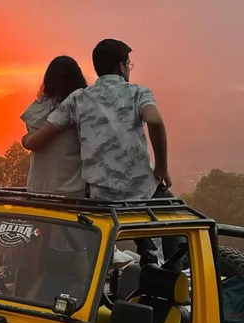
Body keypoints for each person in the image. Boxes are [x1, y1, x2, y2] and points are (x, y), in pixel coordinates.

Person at [22, 39, 170, 201]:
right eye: (129, 64)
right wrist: (161, 168)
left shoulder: (78, 99)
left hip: (102, 196)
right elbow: (154, 121)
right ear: (121, 67)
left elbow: (39, 138)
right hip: (142, 192)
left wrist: (27, 139)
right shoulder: (139, 93)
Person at [20, 56, 87, 197]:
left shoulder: (36, 110)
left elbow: (32, 141)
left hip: (37, 189)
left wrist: (25, 139)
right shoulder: (81, 109)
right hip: (70, 191)